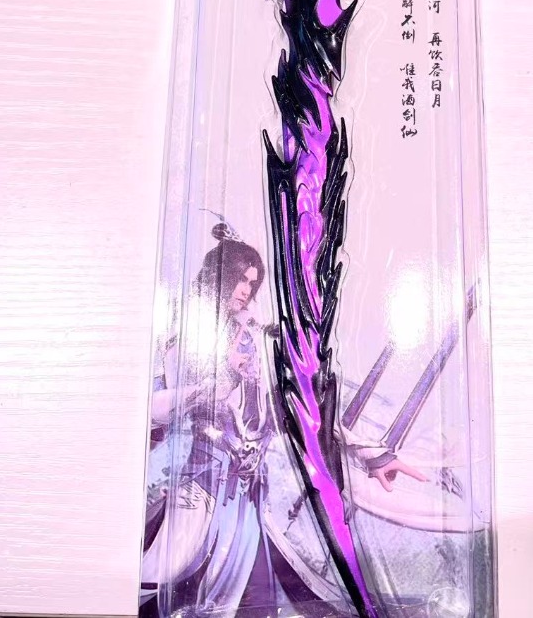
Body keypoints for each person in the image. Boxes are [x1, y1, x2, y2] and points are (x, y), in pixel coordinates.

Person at [140, 224, 423, 618]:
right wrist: (220, 377)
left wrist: (371, 453)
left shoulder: (256, 342)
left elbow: (302, 409)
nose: (245, 290)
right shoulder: (187, 336)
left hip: (248, 497)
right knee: (156, 580)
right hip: (201, 488)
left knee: (255, 601)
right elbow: (160, 405)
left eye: (252, 283)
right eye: (240, 278)